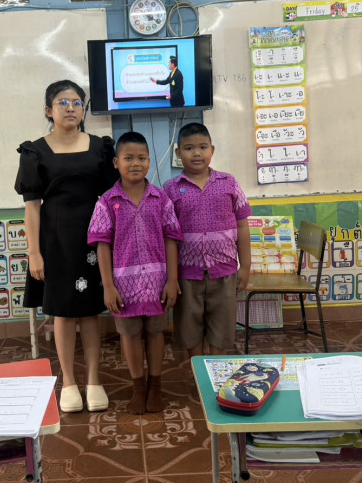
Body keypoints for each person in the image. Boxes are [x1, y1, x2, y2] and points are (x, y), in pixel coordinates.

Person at [14, 80, 119, 413]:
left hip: (94, 237)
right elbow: (32, 206)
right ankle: (69, 383)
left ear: (83, 110)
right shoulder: (34, 152)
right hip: (55, 240)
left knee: (89, 312)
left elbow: (113, 197)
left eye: (76, 102)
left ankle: (94, 380)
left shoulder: (101, 148)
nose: (70, 108)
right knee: (61, 312)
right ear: (49, 110)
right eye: (62, 102)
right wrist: (34, 252)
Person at [88, 131, 182, 414]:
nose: (135, 163)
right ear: (116, 163)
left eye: (141, 158)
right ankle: (138, 387)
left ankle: (156, 386)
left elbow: (171, 239)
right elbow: (102, 245)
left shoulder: (161, 199)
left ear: (149, 162)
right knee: (129, 335)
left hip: (157, 284)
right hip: (123, 287)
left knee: (155, 333)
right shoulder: (107, 202)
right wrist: (108, 286)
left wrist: (172, 280)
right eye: (128, 158)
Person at [162, 123, 252, 361]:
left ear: (212, 150)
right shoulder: (170, 189)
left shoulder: (229, 183)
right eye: (189, 148)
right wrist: (171, 276)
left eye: (203, 147)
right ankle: (198, 369)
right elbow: (168, 236)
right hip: (187, 274)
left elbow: (243, 226)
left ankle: (217, 369)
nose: (197, 153)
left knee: (221, 328)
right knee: (189, 327)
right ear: (178, 153)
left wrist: (246, 266)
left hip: (224, 272)